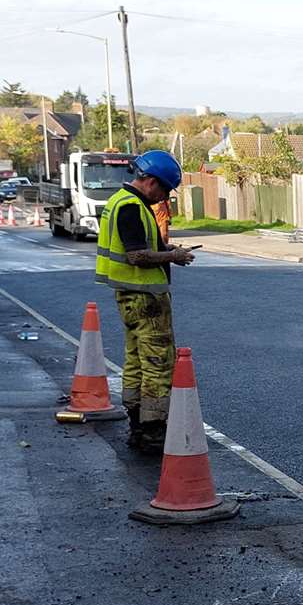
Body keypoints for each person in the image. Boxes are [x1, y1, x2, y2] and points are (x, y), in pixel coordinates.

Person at [95, 150, 195, 453]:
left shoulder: (122, 202)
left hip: (130, 297)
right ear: (151, 181)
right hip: (144, 298)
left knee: (136, 360)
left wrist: (165, 249)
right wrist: (173, 256)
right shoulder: (131, 207)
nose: (164, 197)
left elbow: (139, 246)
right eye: (164, 189)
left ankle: (137, 425)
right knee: (157, 363)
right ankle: (152, 431)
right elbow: (136, 255)